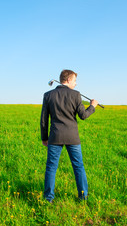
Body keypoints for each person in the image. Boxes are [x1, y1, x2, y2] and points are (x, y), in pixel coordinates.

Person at [40, 69, 98, 203]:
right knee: (78, 166)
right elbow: (83, 115)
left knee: (51, 167)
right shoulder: (76, 95)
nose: (76, 84)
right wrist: (92, 106)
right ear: (68, 80)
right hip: (72, 137)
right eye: (75, 81)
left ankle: (48, 198)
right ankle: (83, 197)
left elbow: (44, 119)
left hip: (55, 136)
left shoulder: (48, 95)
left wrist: (44, 137)